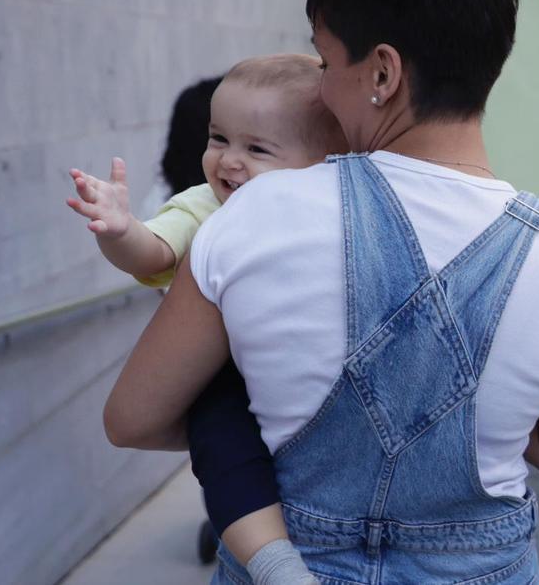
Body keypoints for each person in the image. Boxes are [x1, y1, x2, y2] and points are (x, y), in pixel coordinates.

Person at [103, 0, 539, 584]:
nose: (320, 87)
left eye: (326, 62)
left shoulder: (257, 214)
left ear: (382, 70)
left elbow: (133, 416)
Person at [69, 54, 345, 584]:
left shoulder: (332, 207)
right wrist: (120, 230)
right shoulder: (206, 207)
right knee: (221, 440)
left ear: (322, 161)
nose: (229, 161)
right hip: (229, 369)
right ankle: (273, 564)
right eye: (219, 139)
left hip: (313, 368)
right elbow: (154, 253)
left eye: (257, 148)